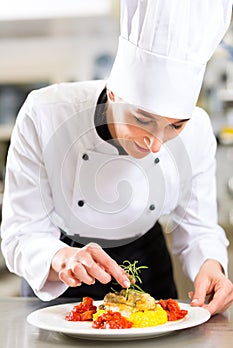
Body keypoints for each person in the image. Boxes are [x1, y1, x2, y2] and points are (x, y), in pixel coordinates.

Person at [1, 0, 233, 315]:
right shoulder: (45, 114)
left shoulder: (198, 129)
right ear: (114, 93)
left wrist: (211, 265)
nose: (156, 144)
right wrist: (60, 258)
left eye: (175, 126)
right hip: (60, 275)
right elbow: (21, 233)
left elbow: (197, 227)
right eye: (144, 120)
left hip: (147, 270)